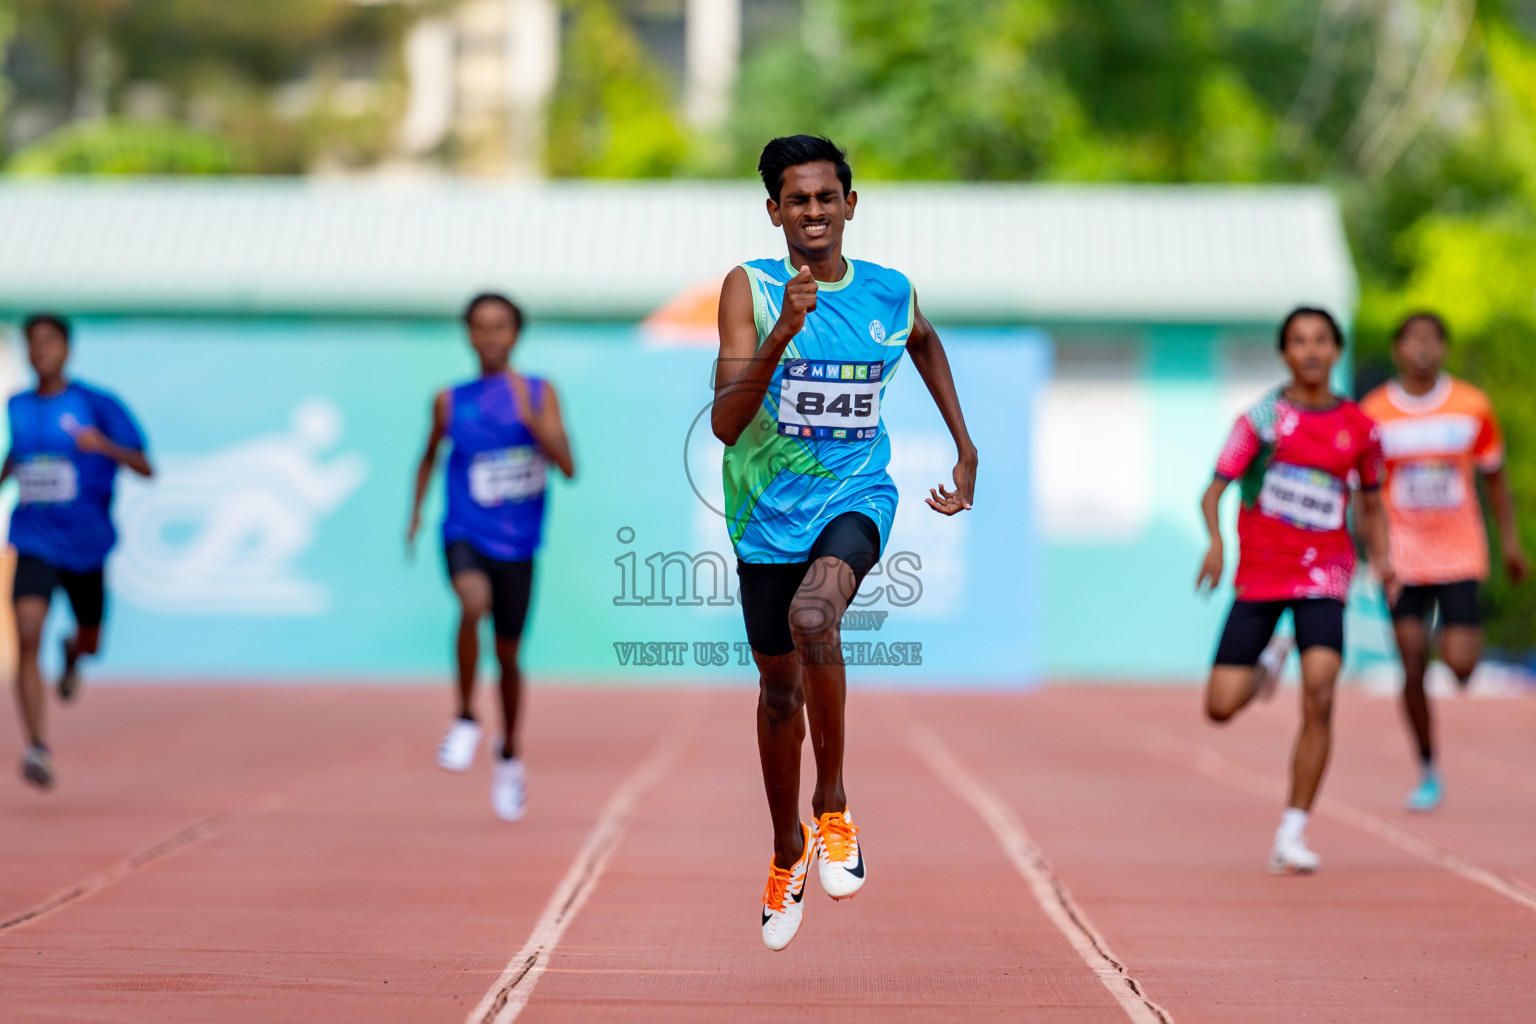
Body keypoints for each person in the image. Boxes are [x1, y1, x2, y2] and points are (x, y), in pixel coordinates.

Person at [712, 135, 978, 950]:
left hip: (857, 494)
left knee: (816, 618)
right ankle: (787, 846)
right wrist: (784, 333)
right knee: (778, 693)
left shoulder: (890, 292)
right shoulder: (750, 291)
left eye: (828, 198)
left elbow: (924, 340)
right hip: (763, 514)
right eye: (798, 201)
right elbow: (725, 423)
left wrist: (965, 448)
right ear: (775, 212)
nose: (815, 212)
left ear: (850, 205)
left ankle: (832, 804)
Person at [1196, 307, 1394, 874]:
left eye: (1322, 341)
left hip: (1325, 574)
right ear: (1285, 354)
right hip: (1260, 574)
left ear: (1336, 350)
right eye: (1299, 342)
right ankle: (1267, 663)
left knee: (1322, 694)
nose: (1311, 351)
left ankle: (1292, 831)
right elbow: (1213, 492)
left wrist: (1383, 560)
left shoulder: (1361, 429)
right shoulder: (1260, 420)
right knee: (1220, 707)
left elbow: (1373, 502)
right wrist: (1215, 542)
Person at [406, 293, 575, 821]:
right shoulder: (449, 400)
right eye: (480, 327)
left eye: (500, 327)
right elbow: (428, 455)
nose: (490, 336)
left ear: (516, 334)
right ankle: (463, 717)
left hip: (520, 545)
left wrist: (534, 421)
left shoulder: (540, 392)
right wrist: (414, 515)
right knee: (471, 601)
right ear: (468, 335)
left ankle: (508, 754)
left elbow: (568, 466)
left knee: (506, 656)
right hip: (464, 530)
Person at [1360, 313, 1527, 812]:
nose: (1423, 349)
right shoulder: (1375, 413)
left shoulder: (1472, 406)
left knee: (1459, 666)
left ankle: (1444, 636)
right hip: (1401, 554)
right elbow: (1365, 493)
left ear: (1445, 349)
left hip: (1458, 550)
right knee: (1412, 665)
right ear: (1397, 350)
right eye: (1413, 340)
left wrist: (1511, 543)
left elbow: (1495, 480)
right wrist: (1373, 548)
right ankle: (1428, 766)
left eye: (1433, 340)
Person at [3, 313, 153, 789]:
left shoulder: (97, 404)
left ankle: (72, 654)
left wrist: (101, 446)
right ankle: (38, 748)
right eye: (32, 343)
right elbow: (20, 455)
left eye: (50, 342)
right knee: (27, 633)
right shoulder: (17, 406)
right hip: (32, 537)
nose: (40, 350)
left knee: (90, 640)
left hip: (86, 545)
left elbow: (147, 466)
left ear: (68, 349)